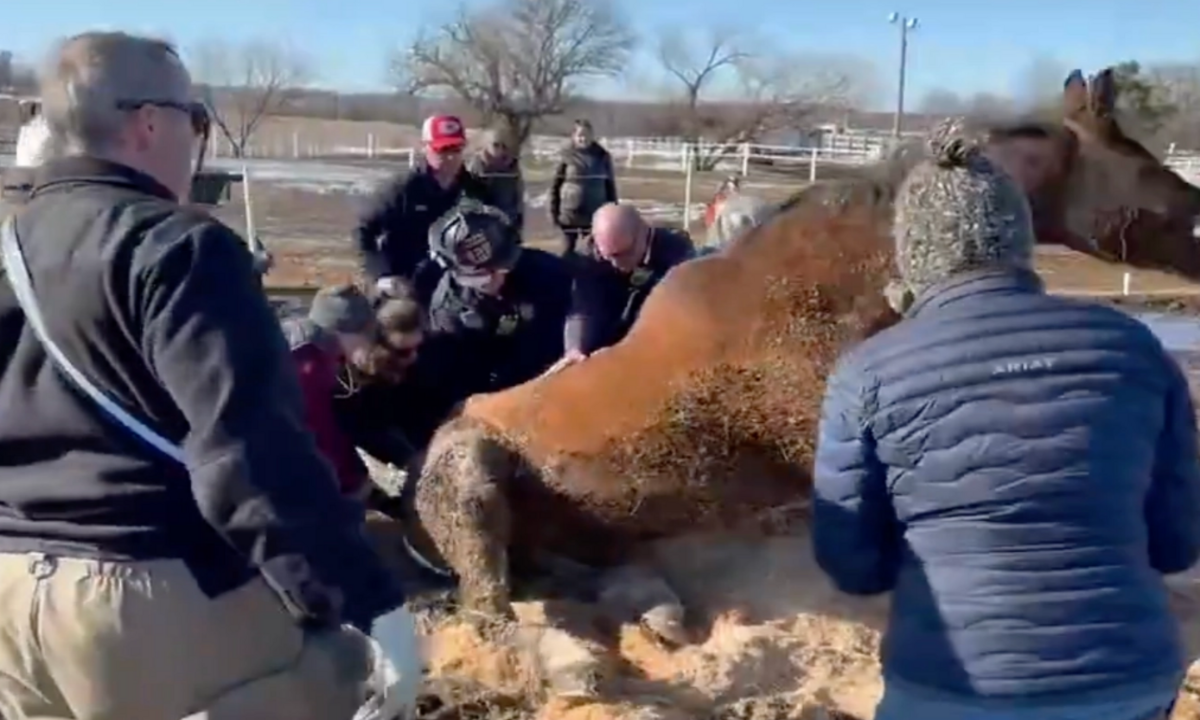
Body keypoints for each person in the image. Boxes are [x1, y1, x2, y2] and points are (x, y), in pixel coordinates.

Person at [0, 31, 413, 720]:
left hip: (12, 600)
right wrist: (369, 600)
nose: (198, 139)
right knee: (341, 674)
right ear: (149, 123)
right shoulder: (180, 247)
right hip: (139, 592)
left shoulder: (11, 246)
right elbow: (249, 460)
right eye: (197, 120)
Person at [811, 121, 1200, 720]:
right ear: (1020, 238)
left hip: (954, 686)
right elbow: (1178, 543)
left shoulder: (868, 372)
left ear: (913, 252)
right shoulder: (1132, 348)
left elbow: (853, 565)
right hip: (1128, 679)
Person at [424, 198, 573, 404]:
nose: (494, 279)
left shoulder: (548, 272)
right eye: (481, 277)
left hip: (552, 379)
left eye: (502, 267)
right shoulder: (447, 311)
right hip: (492, 395)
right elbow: (455, 382)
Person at [354, 114, 494, 304]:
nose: (451, 157)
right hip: (407, 287)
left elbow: (495, 236)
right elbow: (363, 231)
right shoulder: (401, 190)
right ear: (425, 148)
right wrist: (381, 275)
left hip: (460, 288)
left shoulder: (476, 191)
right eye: (443, 150)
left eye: (456, 149)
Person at [556, 203, 694, 367]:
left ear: (643, 233)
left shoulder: (676, 252)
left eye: (622, 254)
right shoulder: (588, 257)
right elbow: (584, 305)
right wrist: (575, 348)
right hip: (607, 337)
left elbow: (684, 308)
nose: (615, 263)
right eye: (608, 256)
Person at [282, 284, 379, 500]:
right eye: (364, 334)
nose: (369, 341)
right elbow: (322, 434)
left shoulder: (317, 343)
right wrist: (351, 484)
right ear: (342, 332)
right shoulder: (308, 366)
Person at [548, 119, 617, 257]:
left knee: (595, 252)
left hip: (595, 211)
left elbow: (610, 185)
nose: (583, 138)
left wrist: (613, 210)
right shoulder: (566, 155)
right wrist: (553, 212)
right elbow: (555, 186)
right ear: (573, 136)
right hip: (570, 213)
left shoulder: (602, 156)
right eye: (580, 135)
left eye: (586, 134)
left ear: (592, 135)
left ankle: (592, 276)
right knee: (567, 251)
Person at [466, 122, 525, 231]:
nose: (500, 150)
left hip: (508, 220)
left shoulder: (512, 165)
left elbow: (518, 192)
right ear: (486, 145)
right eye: (496, 145)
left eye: (504, 146)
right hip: (483, 222)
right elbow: (467, 195)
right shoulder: (477, 164)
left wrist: (519, 216)